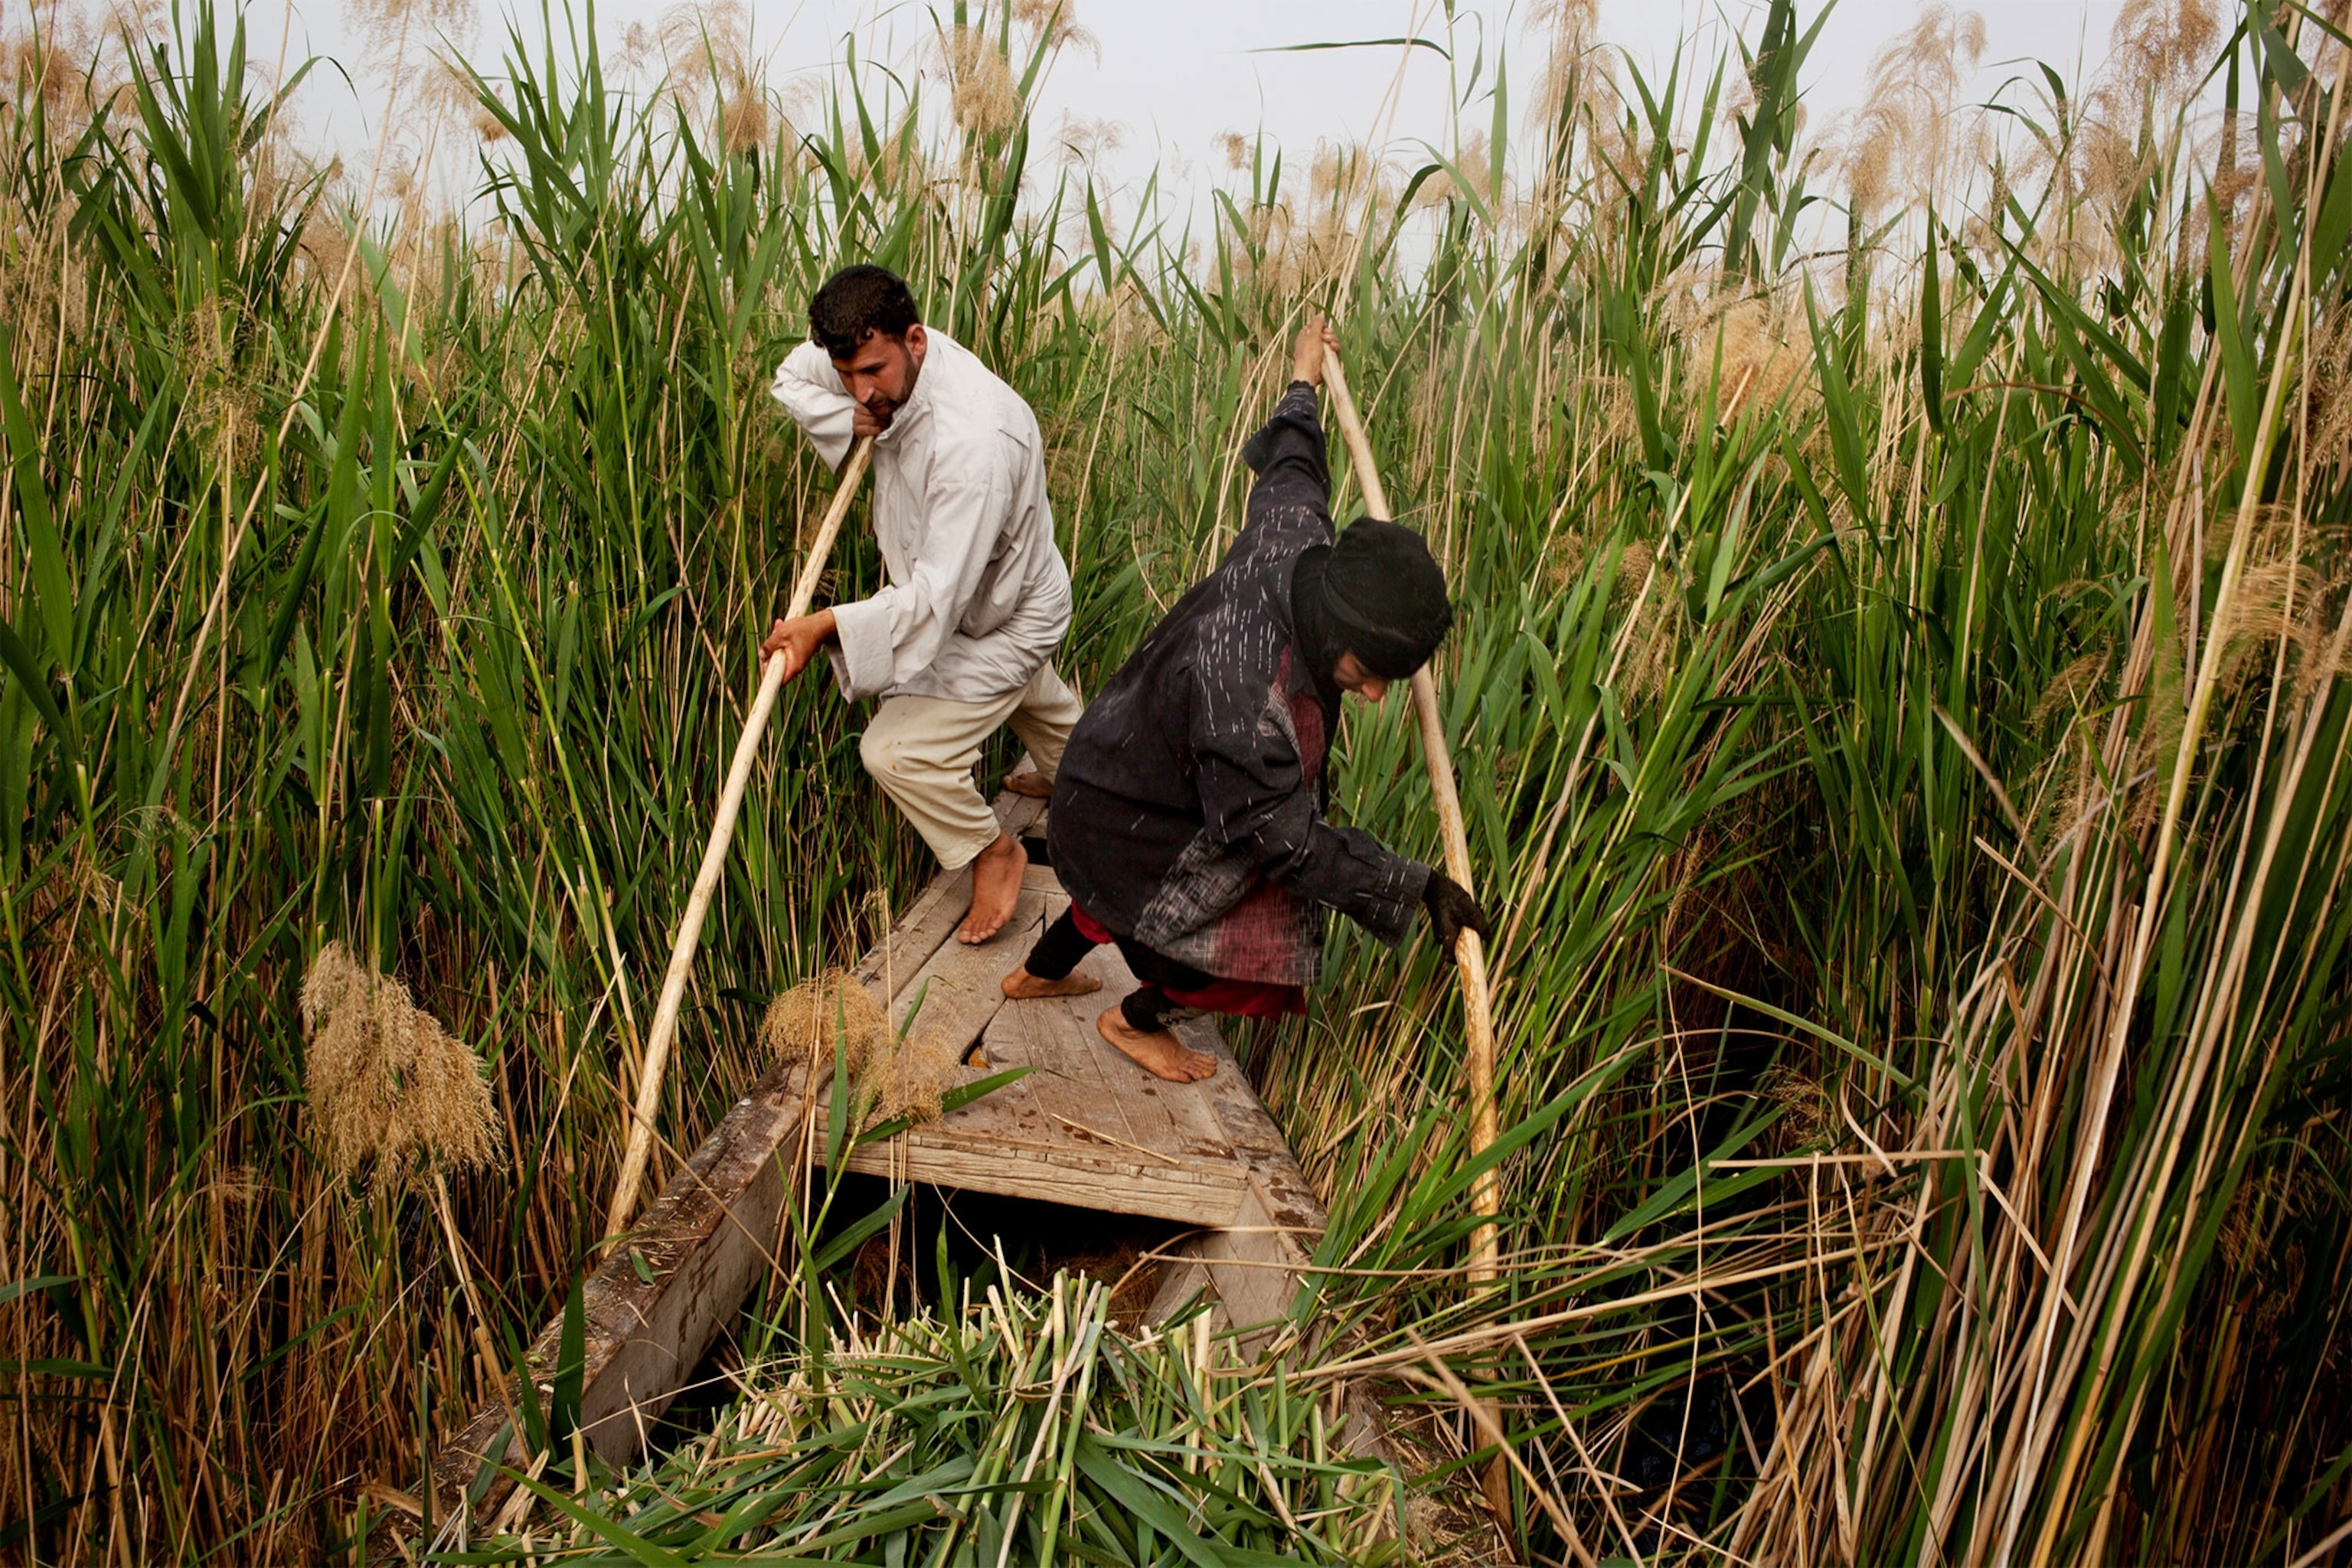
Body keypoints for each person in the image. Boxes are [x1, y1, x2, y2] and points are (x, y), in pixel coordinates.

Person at [999, 317, 1491, 1083]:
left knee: (1105, 895)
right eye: (1367, 669)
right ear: (1333, 631)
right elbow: (1287, 844)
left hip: (1104, 788)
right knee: (1243, 966)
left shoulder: (1295, 544)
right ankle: (1131, 1019)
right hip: (1134, 826)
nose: (1374, 692)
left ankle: (1036, 971)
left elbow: (1294, 465)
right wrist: (1413, 882)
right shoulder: (1245, 693)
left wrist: (1303, 378)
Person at [763, 265, 1080, 945]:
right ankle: (1077, 772)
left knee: (894, 751)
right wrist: (846, 415)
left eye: (873, 372)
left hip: (1006, 613)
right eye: (847, 374)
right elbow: (791, 377)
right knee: (1035, 703)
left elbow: (936, 603)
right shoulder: (866, 361)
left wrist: (826, 626)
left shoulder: (973, 443)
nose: (864, 390)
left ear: (915, 338)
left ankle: (993, 851)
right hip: (981, 596)